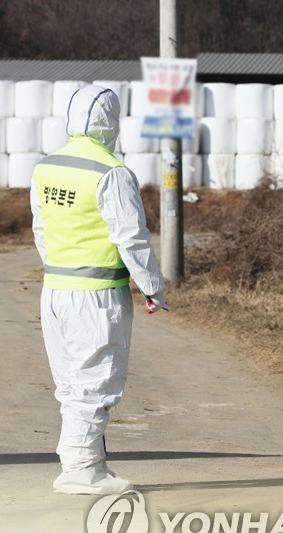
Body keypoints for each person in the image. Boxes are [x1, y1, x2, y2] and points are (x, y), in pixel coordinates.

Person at [30, 85, 167, 495]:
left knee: (72, 384)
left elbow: (40, 229)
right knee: (96, 382)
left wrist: (58, 267)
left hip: (55, 288)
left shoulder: (46, 167)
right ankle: (83, 470)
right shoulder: (112, 171)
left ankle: (80, 462)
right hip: (98, 293)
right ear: (112, 121)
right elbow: (131, 237)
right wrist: (152, 287)